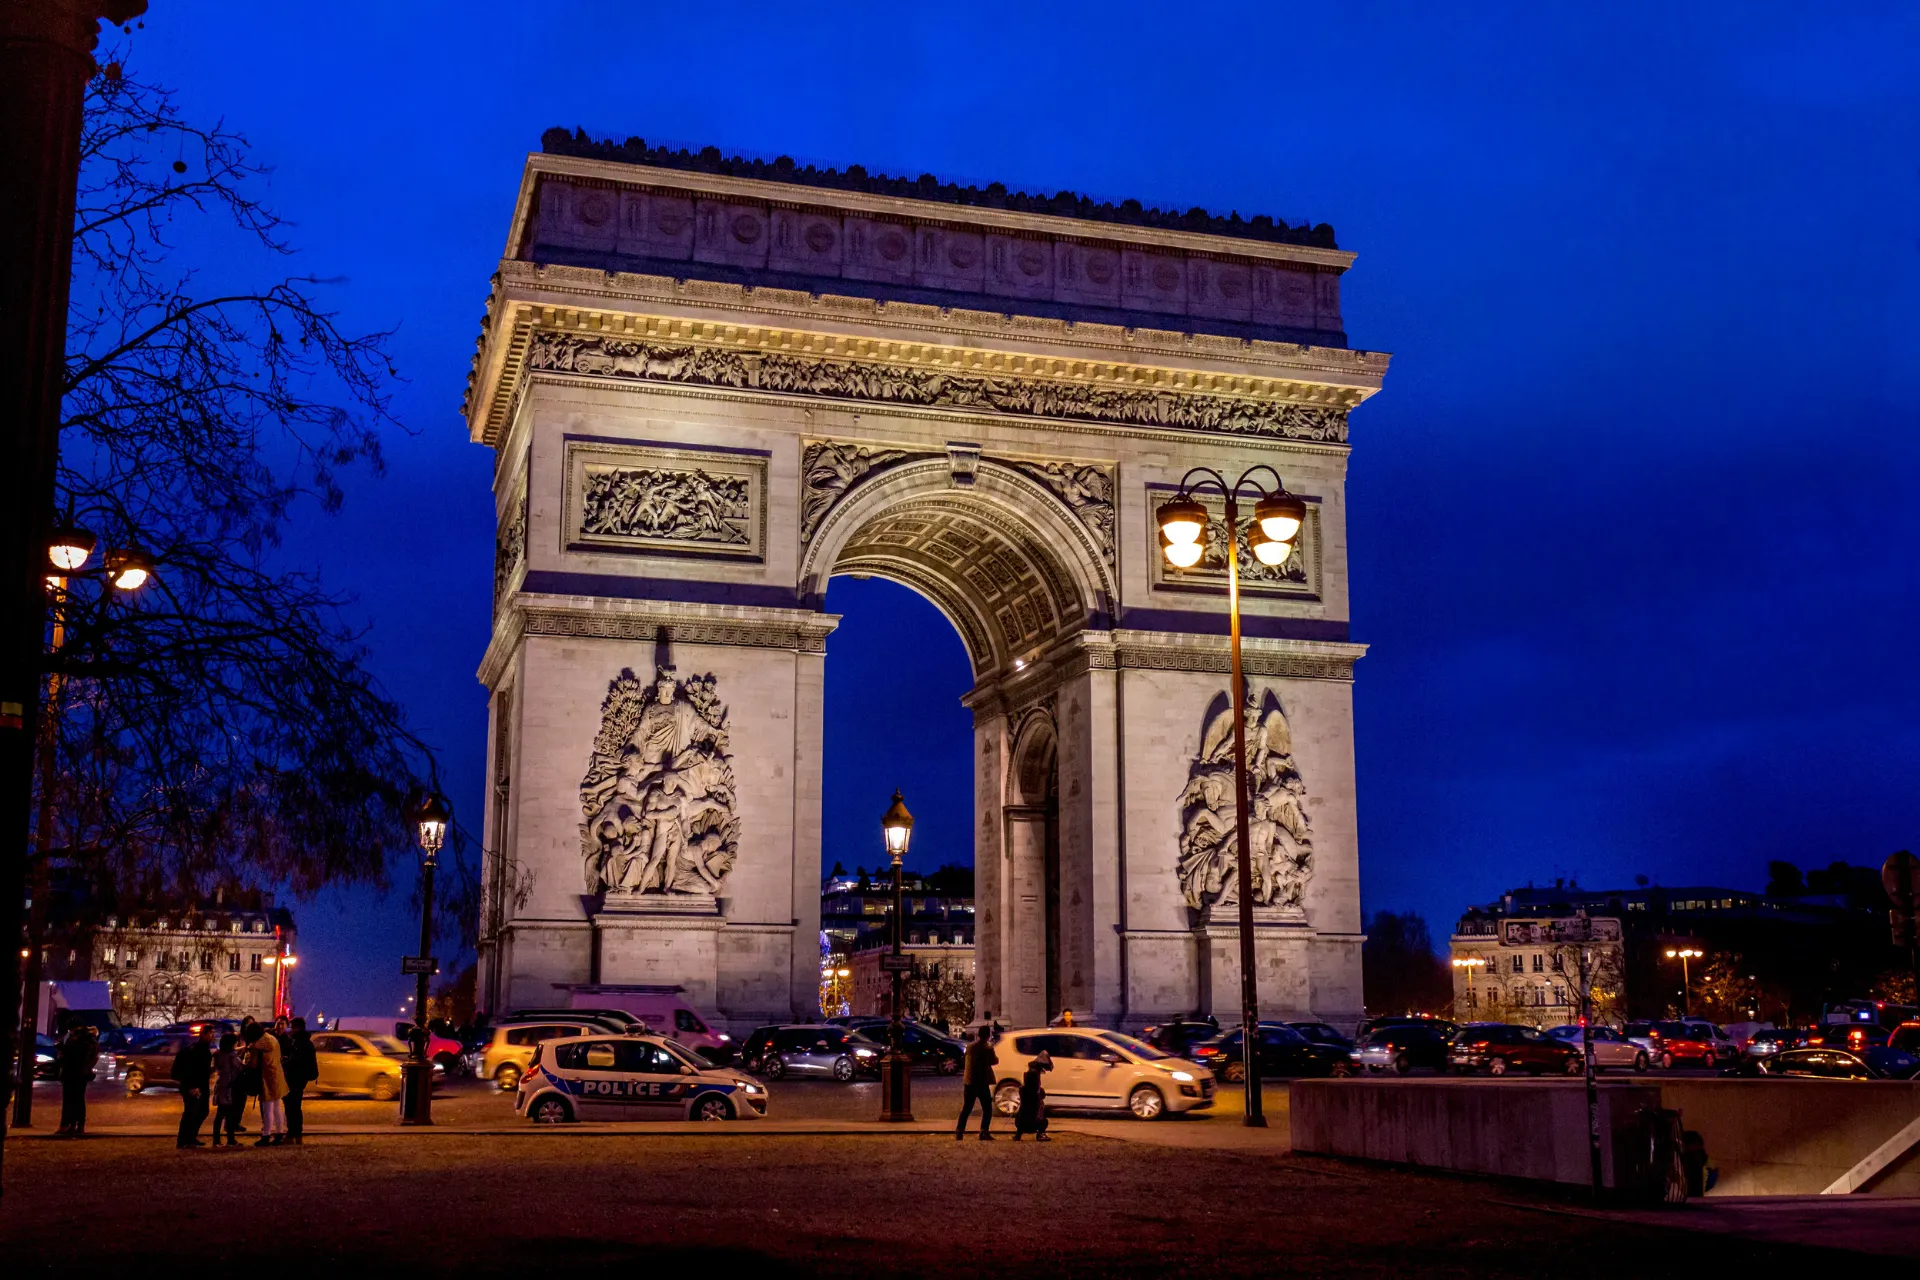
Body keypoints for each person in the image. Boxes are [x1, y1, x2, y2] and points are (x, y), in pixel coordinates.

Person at [243, 1022, 288, 1146]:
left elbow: (252, 1064)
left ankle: (266, 1135)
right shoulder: (272, 1039)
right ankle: (279, 1133)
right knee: (277, 1107)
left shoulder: (256, 1046)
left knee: (267, 1108)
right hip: (277, 1075)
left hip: (265, 1078)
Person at [171, 1024, 216, 1148]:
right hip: (194, 1086)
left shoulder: (202, 1050)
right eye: (211, 1033)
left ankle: (190, 1137)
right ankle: (184, 1140)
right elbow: (191, 1070)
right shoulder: (196, 1051)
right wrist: (192, 1087)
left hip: (200, 1085)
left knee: (200, 1111)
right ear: (203, 1034)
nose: (213, 1036)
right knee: (191, 1112)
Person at [955, 1024, 998, 1141]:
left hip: (969, 1081)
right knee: (987, 1108)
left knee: (967, 1108)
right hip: (982, 1082)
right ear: (988, 1035)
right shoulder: (987, 1048)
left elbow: (965, 1060)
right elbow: (995, 1061)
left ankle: (959, 1131)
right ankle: (984, 1132)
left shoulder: (970, 1046)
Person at [55, 1020, 99, 1137]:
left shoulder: (78, 1039)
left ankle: (68, 1125)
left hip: (72, 1072)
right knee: (78, 1099)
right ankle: (77, 1125)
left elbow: (72, 1054)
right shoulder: (88, 1039)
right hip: (81, 1072)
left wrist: (62, 1049)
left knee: (70, 1100)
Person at [282, 1017, 317, 1144]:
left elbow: (295, 1061)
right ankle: (296, 1132)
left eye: (291, 1027)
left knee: (292, 1105)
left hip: (296, 1077)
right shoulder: (305, 1041)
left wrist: (283, 1064)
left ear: (297, 1028)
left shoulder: (299, 1042)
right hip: (301, 1077)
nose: (290, 1030)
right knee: (295, 1105)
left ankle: (293, 1132)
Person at [211, 1031, 243, 1146]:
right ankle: (230, 1140)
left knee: (220, 1115)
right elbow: (240, 1067)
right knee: (229, 1115)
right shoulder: (231, 1056)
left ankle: (216, 1140)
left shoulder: (218, 1054)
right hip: (229, 1087)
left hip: (220, 1086)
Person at [1013, 1050, 1051, 1142]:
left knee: (1024, 1114)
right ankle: (1040, 1134)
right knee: (1044, 1121)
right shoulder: (1034, 1094)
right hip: (1032, 1124)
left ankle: (1018, 1135)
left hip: (1020, 1123)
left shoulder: (1024, 1090)